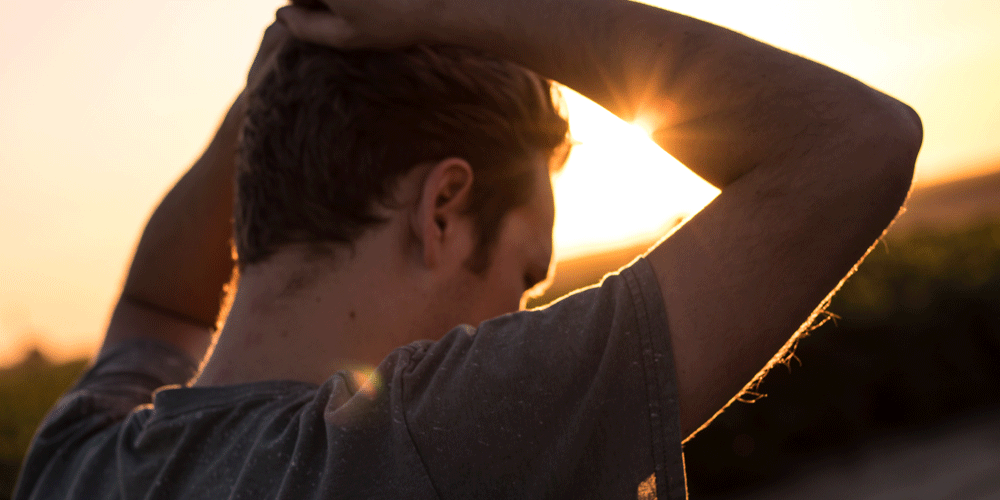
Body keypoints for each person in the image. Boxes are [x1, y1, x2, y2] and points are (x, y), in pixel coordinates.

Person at [14, 0, 922, 499]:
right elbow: (854, 146)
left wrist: (274, 78)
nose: (521, 316)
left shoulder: (81, 456)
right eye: (527, 277)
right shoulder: (416, 449)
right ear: (442, 209)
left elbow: (157, 310)